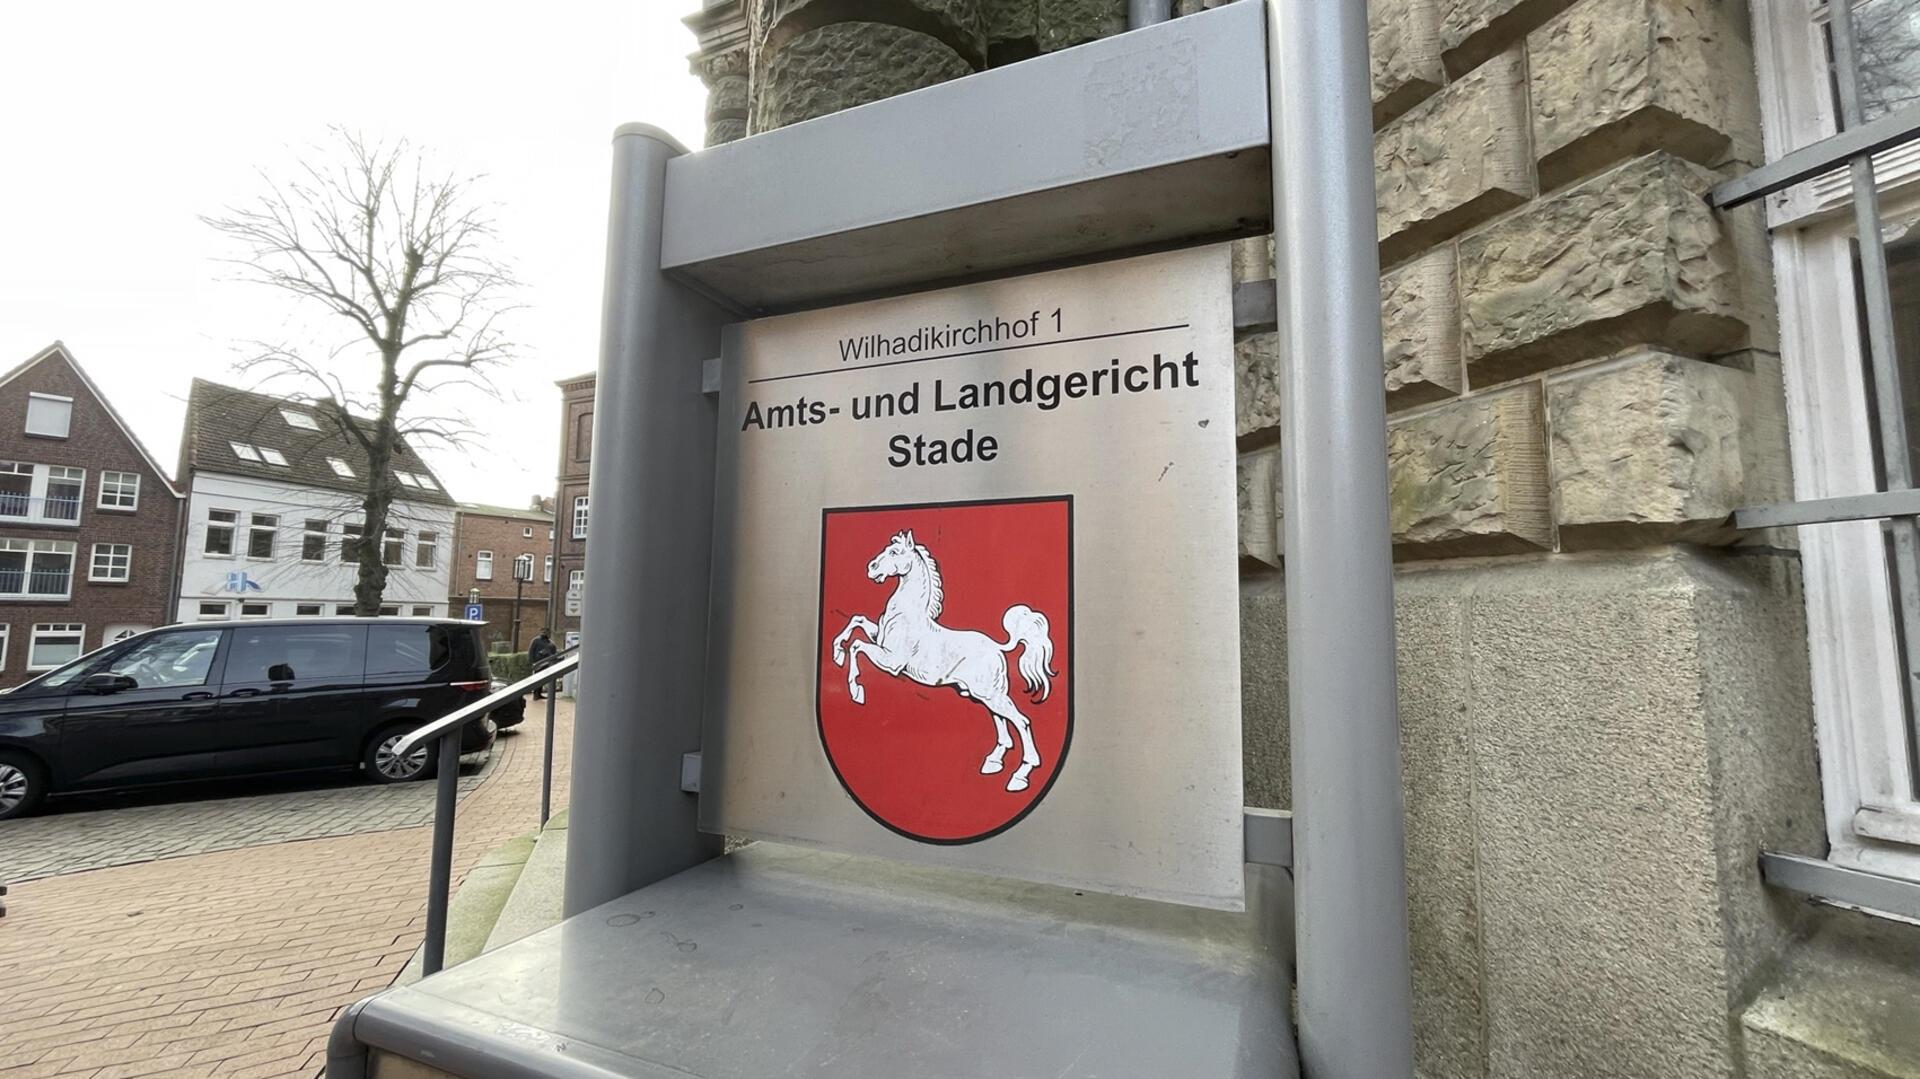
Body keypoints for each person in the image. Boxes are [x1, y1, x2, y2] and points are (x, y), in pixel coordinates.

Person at [528, 628, 557, 699]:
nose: (544, 633)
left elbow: (553, 652)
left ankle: (539, 693)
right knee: (537, 679)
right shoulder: (536, 641)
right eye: (543, 632)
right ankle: (536, 694)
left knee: (543, 679)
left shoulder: (550, 642)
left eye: (546, 632)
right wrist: (532, 662)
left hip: (547, 663)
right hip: (538, 663)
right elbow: (531, 652)